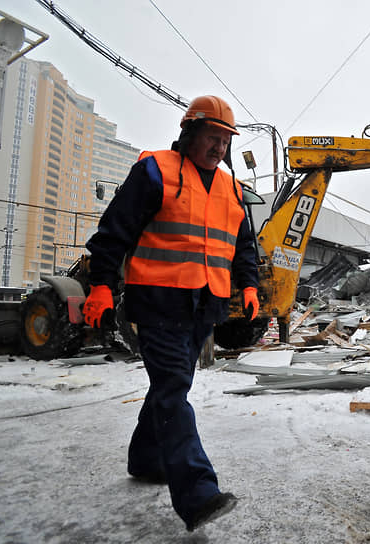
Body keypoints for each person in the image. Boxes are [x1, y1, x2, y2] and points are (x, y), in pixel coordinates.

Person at [82, 95, 260, 532]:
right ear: (189, 133)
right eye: (211, 137)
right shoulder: (155, 170)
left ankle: (145, 460)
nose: (218, 147)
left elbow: (243, 245)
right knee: (174, 387)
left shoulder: (231, 188)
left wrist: (251, 285)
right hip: (158, 301)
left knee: (170, 386)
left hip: (205, 304)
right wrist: (103, 285)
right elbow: (113, 231)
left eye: (224, 140)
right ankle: (198, 494)